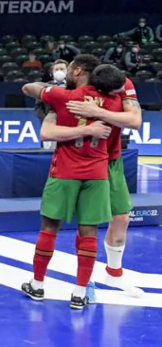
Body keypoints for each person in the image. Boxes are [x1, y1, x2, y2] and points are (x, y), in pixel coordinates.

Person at [19, 57, 126, 310]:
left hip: (65, 170)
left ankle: (38, 284)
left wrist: (52, 89)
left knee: (49, 228)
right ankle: (80, 293)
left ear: (77, 71)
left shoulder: (64, 96)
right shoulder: (114, 103)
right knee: (89, 233)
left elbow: (28, 88)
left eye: (67, 69)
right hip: (98, 173)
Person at [64, 75, 143, 297]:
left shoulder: (123, 83)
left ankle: (114, 273)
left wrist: (97, 112)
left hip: (111, 159)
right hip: (84, 159)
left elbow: (134, 121)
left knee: (121, 217)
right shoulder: (79, 87)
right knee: (87, 222)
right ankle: (84, 281)